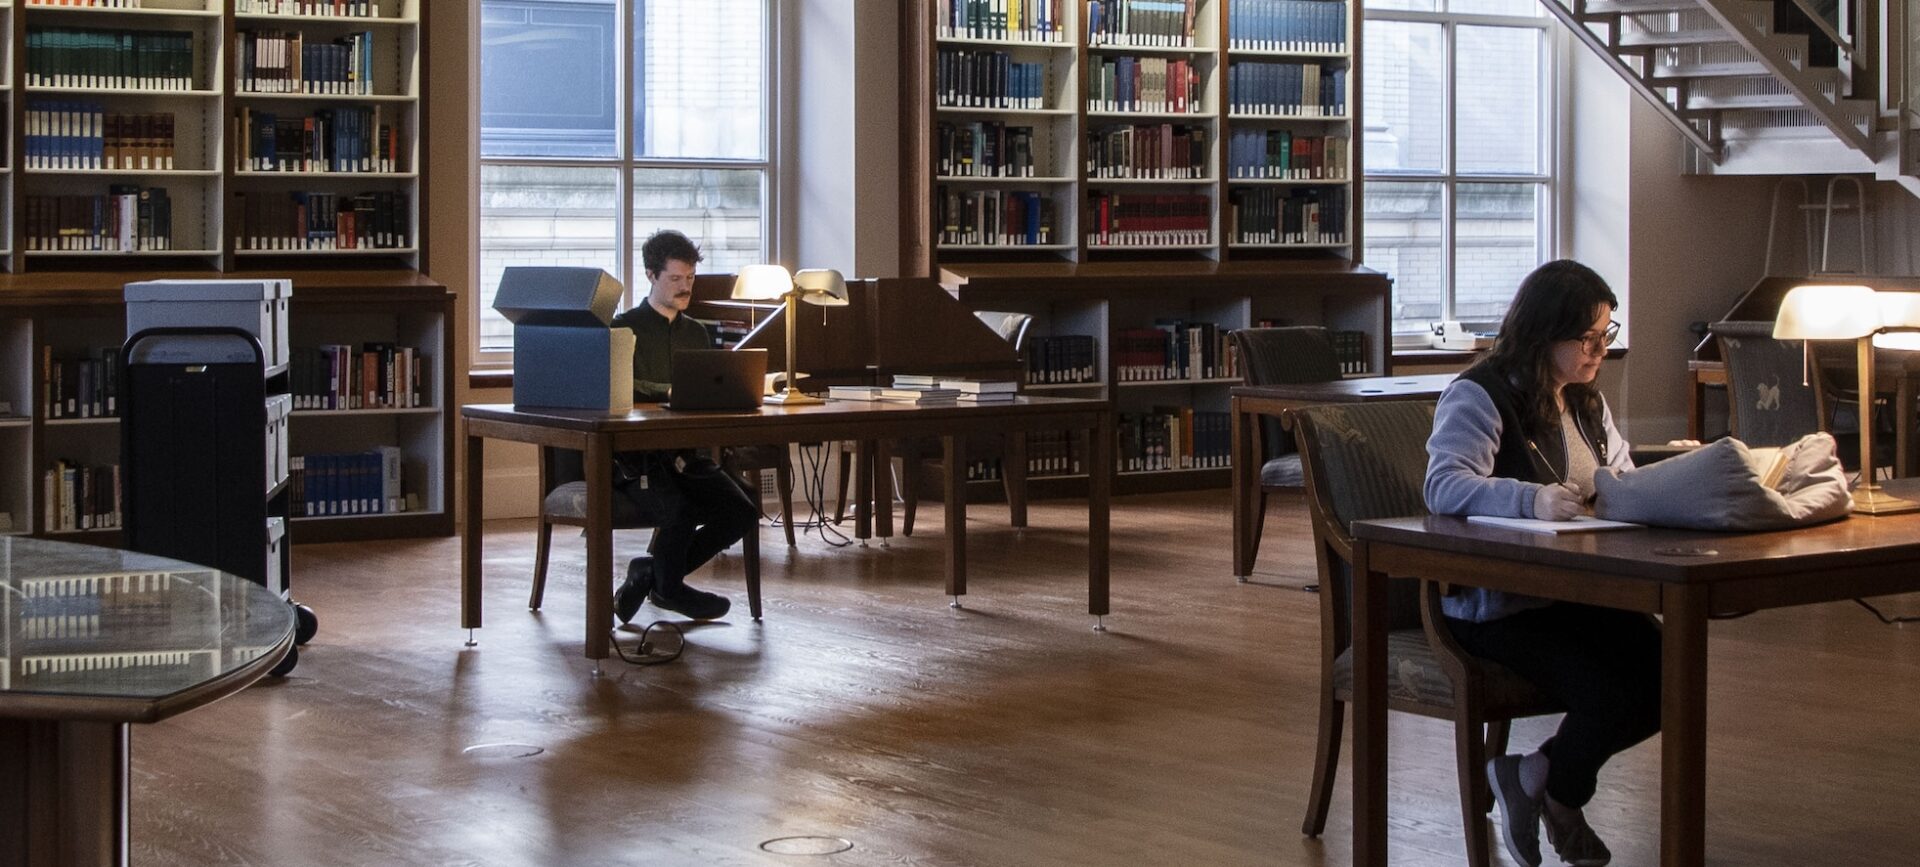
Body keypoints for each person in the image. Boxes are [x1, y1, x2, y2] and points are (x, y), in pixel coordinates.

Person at [1423, 259, 1657, 867]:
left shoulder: (1585, 401)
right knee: (1609, 690)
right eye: (1586, 338)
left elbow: (1621, 474)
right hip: (1496, 606)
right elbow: (1444, 486)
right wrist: (1527, 499)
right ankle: (1558, 792)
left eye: (1606, 334)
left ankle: (1533, 776)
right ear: (1542, 332)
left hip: (1574, 592)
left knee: (1672, 671)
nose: (1599, 349)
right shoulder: (1479, 394)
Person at [605, 229, 759, 623]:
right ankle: (668, 586)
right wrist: (669, 390)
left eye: (689, 279)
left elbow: (707, 387)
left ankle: (654, 576)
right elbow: (622, 385)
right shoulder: (624, 328)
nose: (684, 287)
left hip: (689, 453)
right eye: (675, 279)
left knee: (742, 510)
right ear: (651, 275)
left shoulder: (697, 332)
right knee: (680, 509)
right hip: (640, 457)